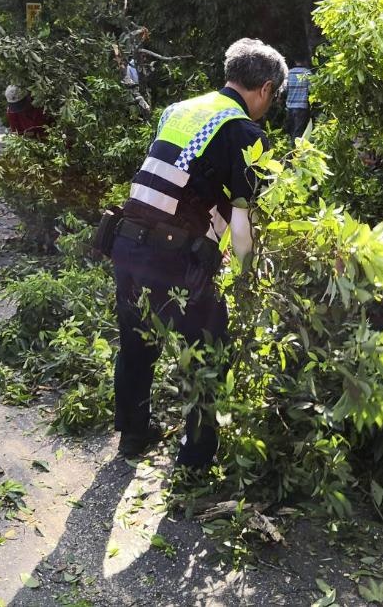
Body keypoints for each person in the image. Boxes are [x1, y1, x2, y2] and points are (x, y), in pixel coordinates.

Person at [106, 38, 287, 467]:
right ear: (264, 88)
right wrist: (245, 277)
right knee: (207, 349)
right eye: (273, 96)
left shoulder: (180, 109)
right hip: (174, 255)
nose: (271, 104)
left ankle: (133, 436)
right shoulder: (244, 132)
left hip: (127, 241)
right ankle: (196, 457)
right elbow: (242, 221)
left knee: (137, 340)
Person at [283, 57, 312, 139]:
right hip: (302, 107)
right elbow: (312, 90)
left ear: (295, 60)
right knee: (299, 133)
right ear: (305, 60)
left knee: (290, 132)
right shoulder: (307, 73)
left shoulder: (289, 73)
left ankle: (290, 150)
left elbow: (284, 90)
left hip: (289, 106)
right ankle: (296, 151)